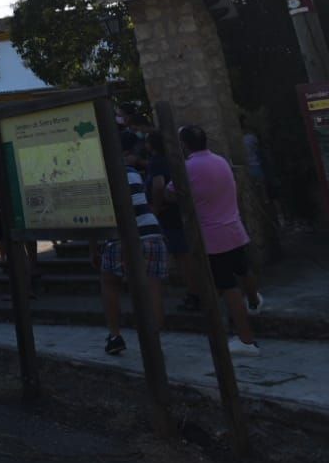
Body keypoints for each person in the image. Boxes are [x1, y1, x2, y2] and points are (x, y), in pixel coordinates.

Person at [171, 125, 263, 354]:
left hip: (212, 235)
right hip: (233, 226)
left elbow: (171, 192)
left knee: (228, 286)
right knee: (243, 269)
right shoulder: (220, 160)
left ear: (184, 145)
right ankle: (254, 302)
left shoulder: (189, 167)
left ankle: (246, 339)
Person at [99, 132, 168, 355]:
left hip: (121, 236)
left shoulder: (102, 176)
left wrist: (94, 246)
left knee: (110, 283)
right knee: (153, 287)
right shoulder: (132, 172)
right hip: (151, 231)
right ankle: (154, 340)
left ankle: (115, 334)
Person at [145, 133, 200, 311]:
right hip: (180, 211)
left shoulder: (156, 162)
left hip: (168, 214)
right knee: (185, 254)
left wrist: (155, 207)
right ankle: (198, 291)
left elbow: (159, 185)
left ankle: (195, 294)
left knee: (182, 256)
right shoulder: (173, 159)